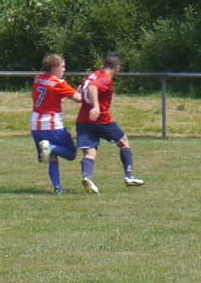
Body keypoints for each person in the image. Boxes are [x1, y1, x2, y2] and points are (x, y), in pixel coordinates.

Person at [76, 52, 145, 194]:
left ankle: (87, 178)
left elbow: (84, 88)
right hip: (102, 120)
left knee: (89, 152)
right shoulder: (105, 79)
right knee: (124, 143)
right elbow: (93, 87)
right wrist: (96, 106)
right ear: (117, 67)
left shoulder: (92, 75)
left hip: (83, 120)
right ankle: (129, 176)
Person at [31, 54, 82, 194]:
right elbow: (79, 99)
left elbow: (51, 97)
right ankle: (50, 146)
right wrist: (82, 92)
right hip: (52, 125)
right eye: (62, 66)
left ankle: (58, 188)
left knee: (51, 157)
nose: (64, 70)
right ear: (54, 67)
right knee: (71, 154)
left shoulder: (38, 79)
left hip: (36, 124)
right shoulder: (59, 83)